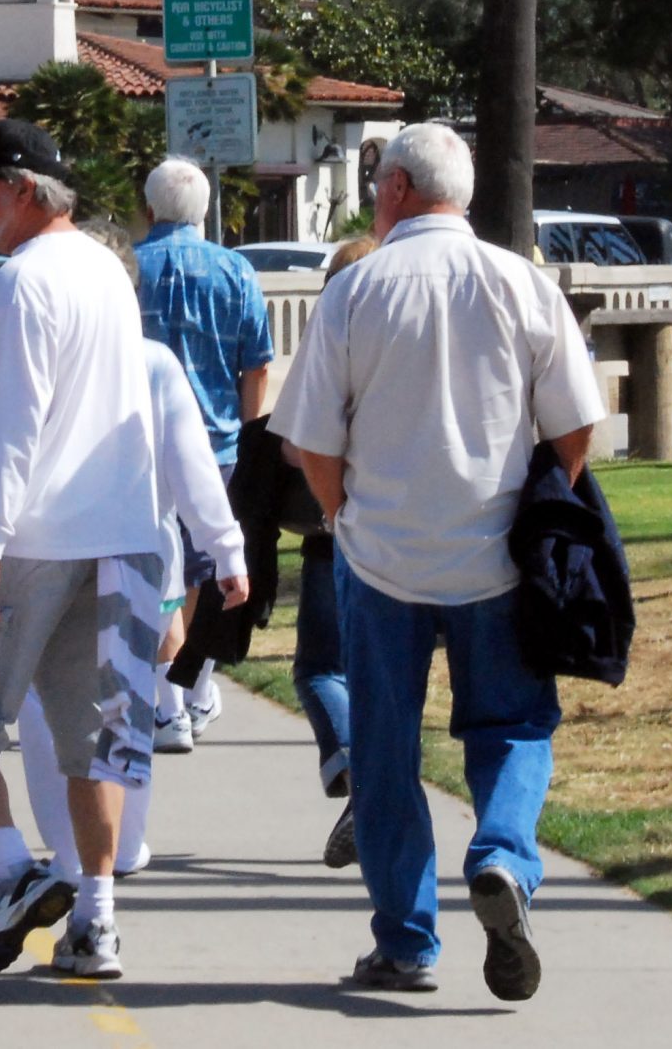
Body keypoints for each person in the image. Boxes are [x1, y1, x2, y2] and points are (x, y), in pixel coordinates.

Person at [269, 122, 605, 1001]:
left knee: (384, 753)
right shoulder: (521, 283)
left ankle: (407, 938)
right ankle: (501, 855)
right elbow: (575, 428)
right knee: (515, 725)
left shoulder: (355, 291)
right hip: (494, 554)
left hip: (382, 558)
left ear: (397, 189)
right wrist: (538, 502)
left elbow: (310, 441)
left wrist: (344, 516)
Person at [0, 118, 215, 985]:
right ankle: (96, 915)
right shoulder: (104, 273)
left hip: (34, 535)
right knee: (94, 742)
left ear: (21, 189)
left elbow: (7, 426)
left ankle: (11, 870)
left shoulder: (20, 281)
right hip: (117, 537)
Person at [15, 216, 247, 888]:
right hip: (131, 553)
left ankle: (79, 850)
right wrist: (225, 549)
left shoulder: (99, 359)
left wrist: (226, 546)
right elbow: (194, 469)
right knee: (125, 697)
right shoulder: (150, 363)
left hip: (67, 552)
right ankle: (115, 845)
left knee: (51, 703)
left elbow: (192, 466)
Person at [133, 157, 272, 749]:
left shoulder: (128, 270)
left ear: (148, 209)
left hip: (140, 444)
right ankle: (195, 689)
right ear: (206, 211)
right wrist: (249, 432)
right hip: (218, 443)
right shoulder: (236, 270)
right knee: (217, 570)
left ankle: (168, 702)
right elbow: (257, 363)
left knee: (160, 569)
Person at [293, 229, 378, 866]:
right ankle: (370, 778)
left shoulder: (327, 342)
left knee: (321, 667)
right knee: (379, 674)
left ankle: (355, 772)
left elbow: (299, 440)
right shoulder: (408, 339)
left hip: (335, 529)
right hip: (398, 531)